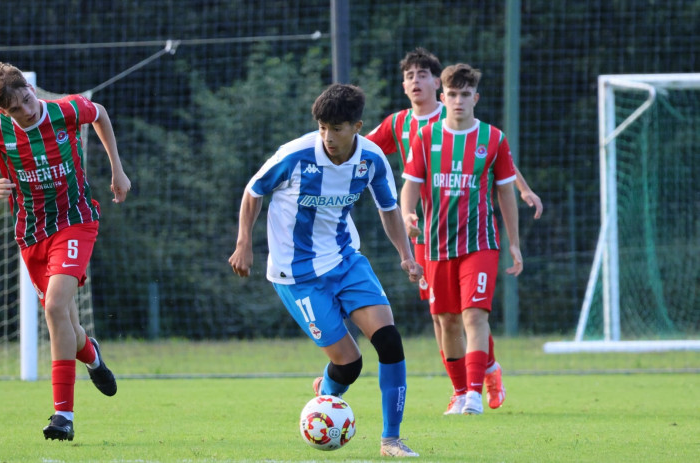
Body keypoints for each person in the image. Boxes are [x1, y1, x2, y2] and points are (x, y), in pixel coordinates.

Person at [229, 83, 422, 457]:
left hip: (345, 259)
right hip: (296, 275)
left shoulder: (372, 159)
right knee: (349, 365)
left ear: (357, 126)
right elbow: (254, 191)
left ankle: (391, 440)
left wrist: (406, 255)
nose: (328, 137)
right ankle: (326, 400)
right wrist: (243, 244)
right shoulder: (296, 154)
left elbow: (388, 209)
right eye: (322, 127)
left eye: (337, 128)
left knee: (389, 341)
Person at [0, 62, 131, 441]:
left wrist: (117, 169)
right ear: (4, 111)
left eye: (28, 97)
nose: (29, 108)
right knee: (65, 320)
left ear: (32, 90)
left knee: (54, 308)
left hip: (76, 221)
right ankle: (92, 355)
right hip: (32, 234)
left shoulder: (63, 110)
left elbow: (99, 113)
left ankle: (63, 417)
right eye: (18, 107)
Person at [367, 48, 541, 414]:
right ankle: (469, 382)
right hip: (429, 237)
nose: (416, 81)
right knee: (442, 318)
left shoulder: (472, 124)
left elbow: (499, 168)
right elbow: (363, 152)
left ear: (437, 85)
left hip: (475, 235)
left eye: (422, 74)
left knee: (472, 314)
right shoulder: (401, 126)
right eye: (410, 75)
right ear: (404, 85)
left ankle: (476, 385)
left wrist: (522, 191)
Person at [401, 63, 523, 415]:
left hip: (480, 244)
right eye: (452, 95)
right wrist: (409, 214)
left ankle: (473, 395)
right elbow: (410, 185)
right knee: (446, 320)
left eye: (465, 95)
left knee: (473, 315)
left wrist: (513, 243)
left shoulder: (494, 139)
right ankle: (458, 392)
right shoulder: (424, 138)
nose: (457, 101)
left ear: (475, 98)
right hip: (436, 246)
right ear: (443, 98)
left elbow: (505, 194)